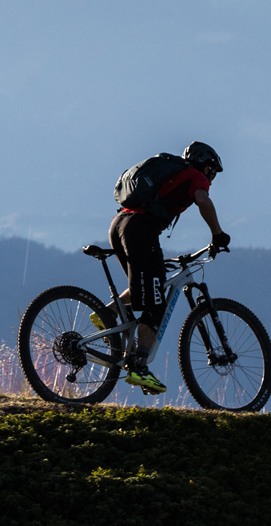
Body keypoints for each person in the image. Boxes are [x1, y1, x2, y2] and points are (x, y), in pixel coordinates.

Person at [108, 141, 230, 394]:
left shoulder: (172, 171)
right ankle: (139, 367)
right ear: (204, 166)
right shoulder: (195, 175)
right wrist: (218, 235)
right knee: (155, 304)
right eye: (213, 171)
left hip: (119, 223)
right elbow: (203, 201)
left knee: (149, 282)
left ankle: (106, 315)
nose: (212, 177)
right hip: (140, 228)